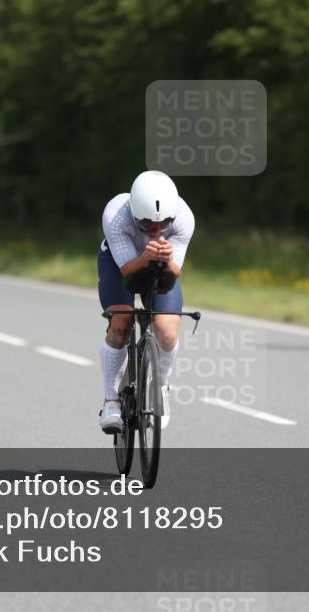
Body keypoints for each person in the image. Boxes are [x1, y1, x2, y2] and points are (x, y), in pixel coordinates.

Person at [97, 170, 194, 434]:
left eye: (163, 225)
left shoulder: (184, 216)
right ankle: (111, 402)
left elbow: (175, 272)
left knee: (166, 329)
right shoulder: (116, 214)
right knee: (122, 321)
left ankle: (160, 387)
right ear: (134, 214)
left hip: (160, 265)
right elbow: (128, 270)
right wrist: (146, 256)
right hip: (120, 264)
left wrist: (165, 259)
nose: (156, 230)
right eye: (148, 225)